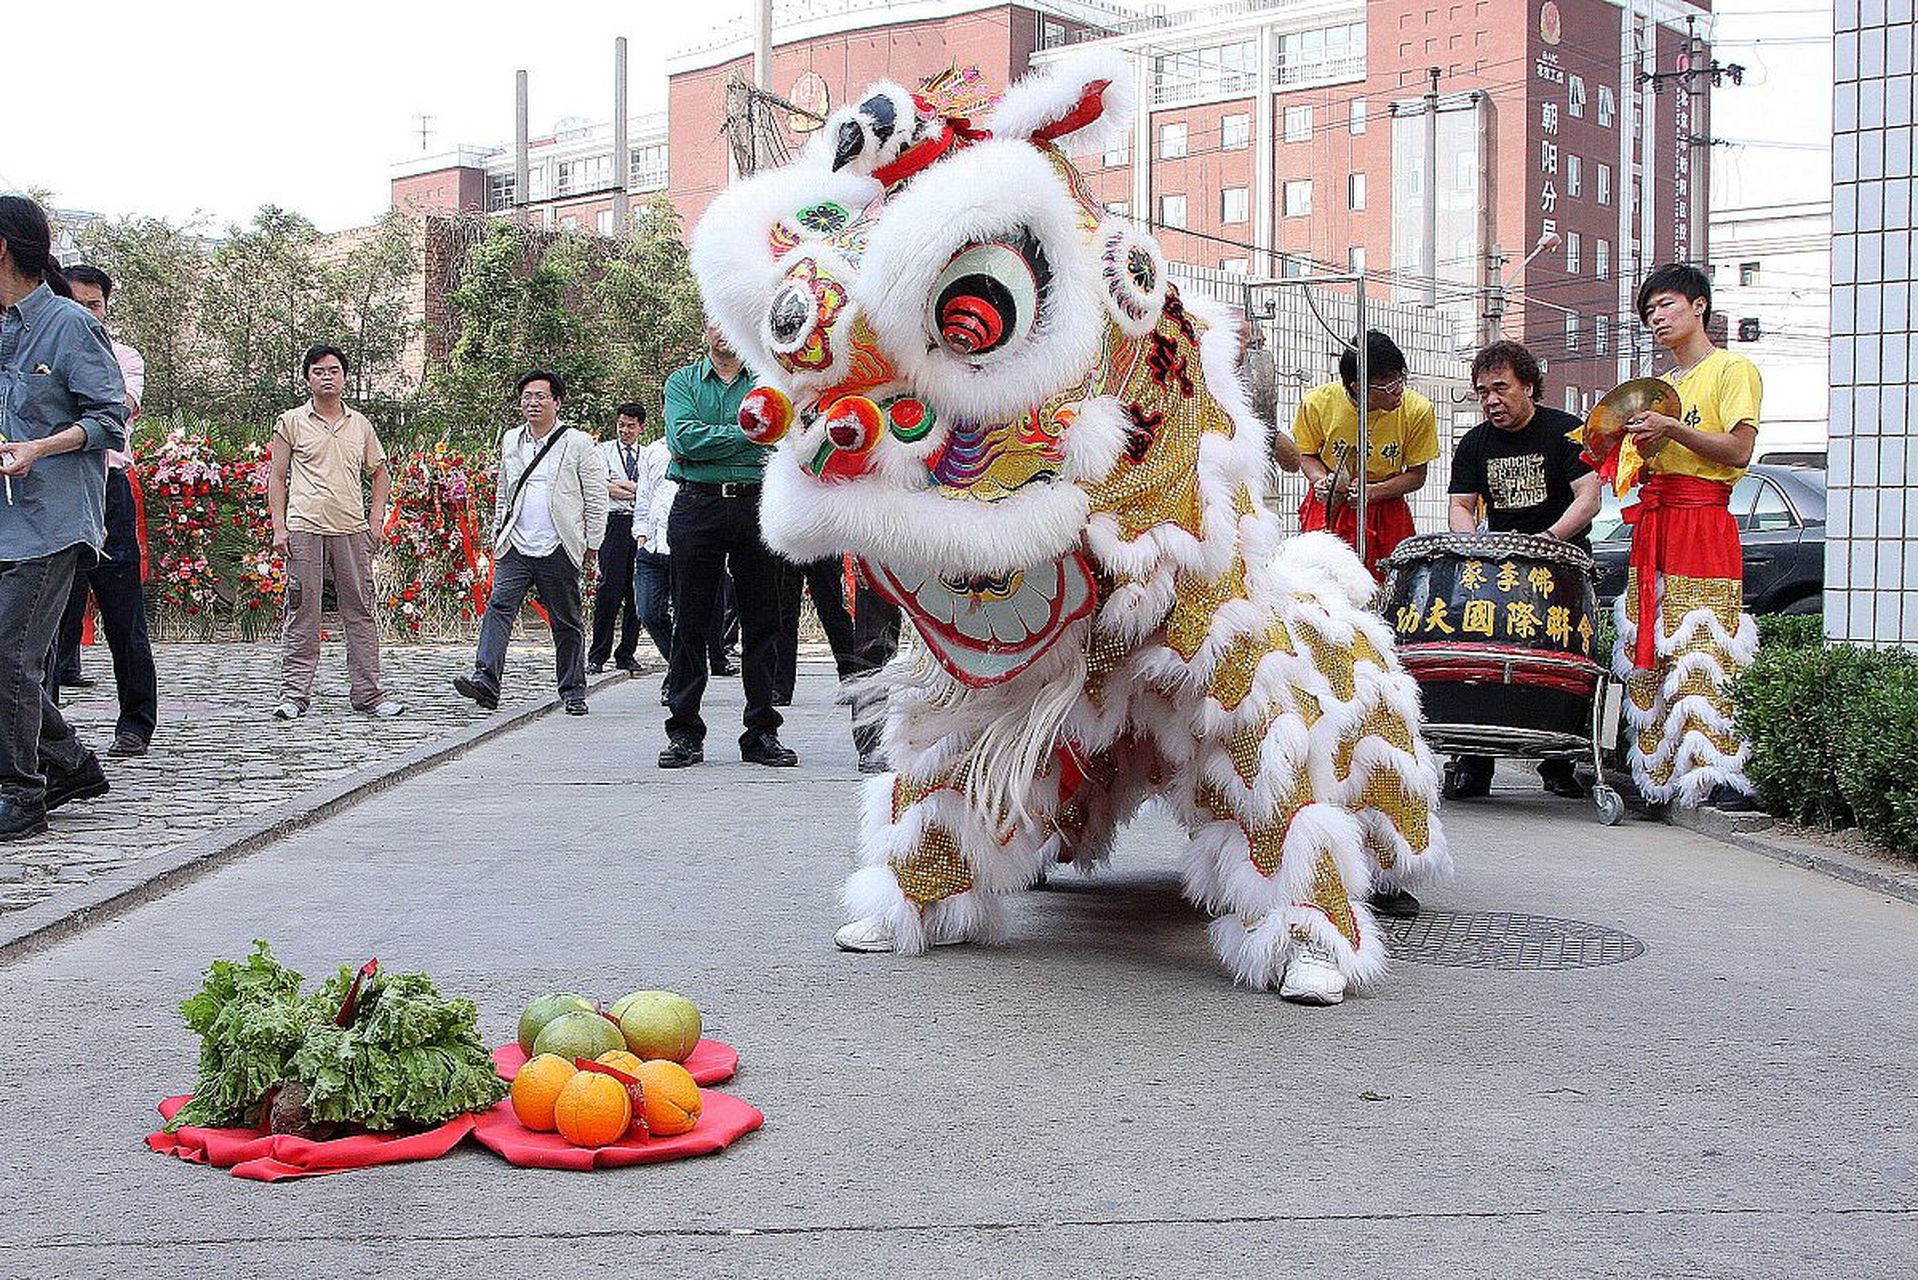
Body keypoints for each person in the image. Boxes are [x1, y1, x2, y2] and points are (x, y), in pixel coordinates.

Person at [1611, 263, 1762, 811]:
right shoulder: (1661, 388)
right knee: (1649, 647)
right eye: (1649, 311)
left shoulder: (1732, 368)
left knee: (1704, 646)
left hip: (1702, 519)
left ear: (1700, 306)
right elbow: (1643, 463)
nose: (1656, 318)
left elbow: (1739, 451)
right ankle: (1659, 774)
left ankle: (1722, 775)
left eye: (1666, 305)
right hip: (1656, 521)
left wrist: (1671, 428)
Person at [0, 195, 125, 840]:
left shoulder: (70, 325)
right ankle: (69, 763)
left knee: (11, 657)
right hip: (4, 520)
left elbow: (110, 420)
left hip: (51, 520)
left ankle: (21, 794)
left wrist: (40, 448)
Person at [1444, 339, 1604, 800]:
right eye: (1483, 392)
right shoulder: (1474, 442)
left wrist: (1549, 539)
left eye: (1501, 388)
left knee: (1562, 664)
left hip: (1561, 567)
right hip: (1497, 573)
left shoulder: (1566, 431)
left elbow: (1589, 497)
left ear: (1529, 386)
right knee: (1482, 663)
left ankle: (1558, 764)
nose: (1491, 400)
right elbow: (1461, 505)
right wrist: (1474, 546)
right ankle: (1475, 761)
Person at [657, 325, 793, 769]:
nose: (721, 331)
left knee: (763, 621)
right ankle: (684, 733)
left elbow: (782, 438)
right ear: (706, 328)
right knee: (690, 621)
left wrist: (714, 440)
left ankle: (761, 732)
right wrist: (750, 433)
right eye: (712, 322)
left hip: (758, 505)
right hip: (698, 505)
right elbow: (683, 440)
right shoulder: (682, 382)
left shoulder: (770, 381)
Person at [48, 265, 159, 757]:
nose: (85, 312)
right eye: (75, 303)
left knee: (123, 612)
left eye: (94, 304)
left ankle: (135, 721)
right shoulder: (39, 349)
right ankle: (44, 731)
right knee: (48, 616)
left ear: (106, 308)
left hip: (108, 485)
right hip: (55, 488)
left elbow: (119, 407)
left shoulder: (124, 356)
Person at [455, 369, 609, 716]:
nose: (533, 402)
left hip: (559, 544)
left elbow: (596, 496)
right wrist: (498, 530)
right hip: (516, 544)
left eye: (540, 396)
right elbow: (505, 490)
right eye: (527, 396)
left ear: (557, 401)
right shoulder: (512, 439)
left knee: (566, 620)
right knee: (498, 608)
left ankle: (573, 690)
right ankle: (486, 681)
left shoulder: (577, 442)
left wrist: (593, 543)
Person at [267, 345, 402, 721]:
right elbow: (277, 477)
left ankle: (368, 694)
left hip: (352, 529)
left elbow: (380, 473)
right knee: (302, 611)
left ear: (345, 377)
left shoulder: (360, 424)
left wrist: (375, 520)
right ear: (307, 378)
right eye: (318, 371)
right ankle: (294, 694)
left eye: (334, 370)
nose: (327, 377)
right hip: (304, 529)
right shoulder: (291, 422)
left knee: (360, 611)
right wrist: (279, 527)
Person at [1292, 330, 1437, 577]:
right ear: (1358, 386)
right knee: (1322, 580)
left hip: (1386, 507)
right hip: (1331, 504)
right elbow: (1306, 455)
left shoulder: (1418, 410)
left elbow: (1416, 475)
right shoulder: (1317, 402)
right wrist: (1321, 480)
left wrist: (1372, 492)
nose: (1398, 389)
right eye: (1387, 383)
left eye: (1400, 378)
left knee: (1390, 583)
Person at [586, 402, 646, 675]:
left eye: (631, 426)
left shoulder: (647, 455)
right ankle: (598, 654)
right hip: (614, 523)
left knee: (636, 592)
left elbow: (650, 489)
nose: (625, 430)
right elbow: (602, 486)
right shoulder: (603, 451)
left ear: (641, 427)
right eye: (621, 425)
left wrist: (627, 487)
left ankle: (627, 653)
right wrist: (634, 490)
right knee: (609, 590)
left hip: (640, 524)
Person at [771, 554, 859, 707]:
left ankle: (849, 678)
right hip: (786, 546)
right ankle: (780, 686)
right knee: (784, 614)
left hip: (821, 545)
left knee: (832, 610)